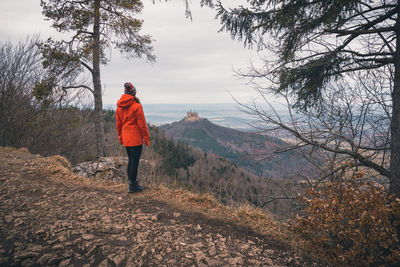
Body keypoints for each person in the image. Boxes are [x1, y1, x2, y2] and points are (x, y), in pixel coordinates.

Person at [116, 82, 150, 193]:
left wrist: (121, 138)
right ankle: (133, 186)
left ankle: (131, 183)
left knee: (131, 160)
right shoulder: (137, 106)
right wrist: (146, 138)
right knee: (134, 162)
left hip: (126, 137)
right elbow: (142, 124)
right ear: (134, 93)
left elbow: (118, 125)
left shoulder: (119, 107)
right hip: (135, 138)